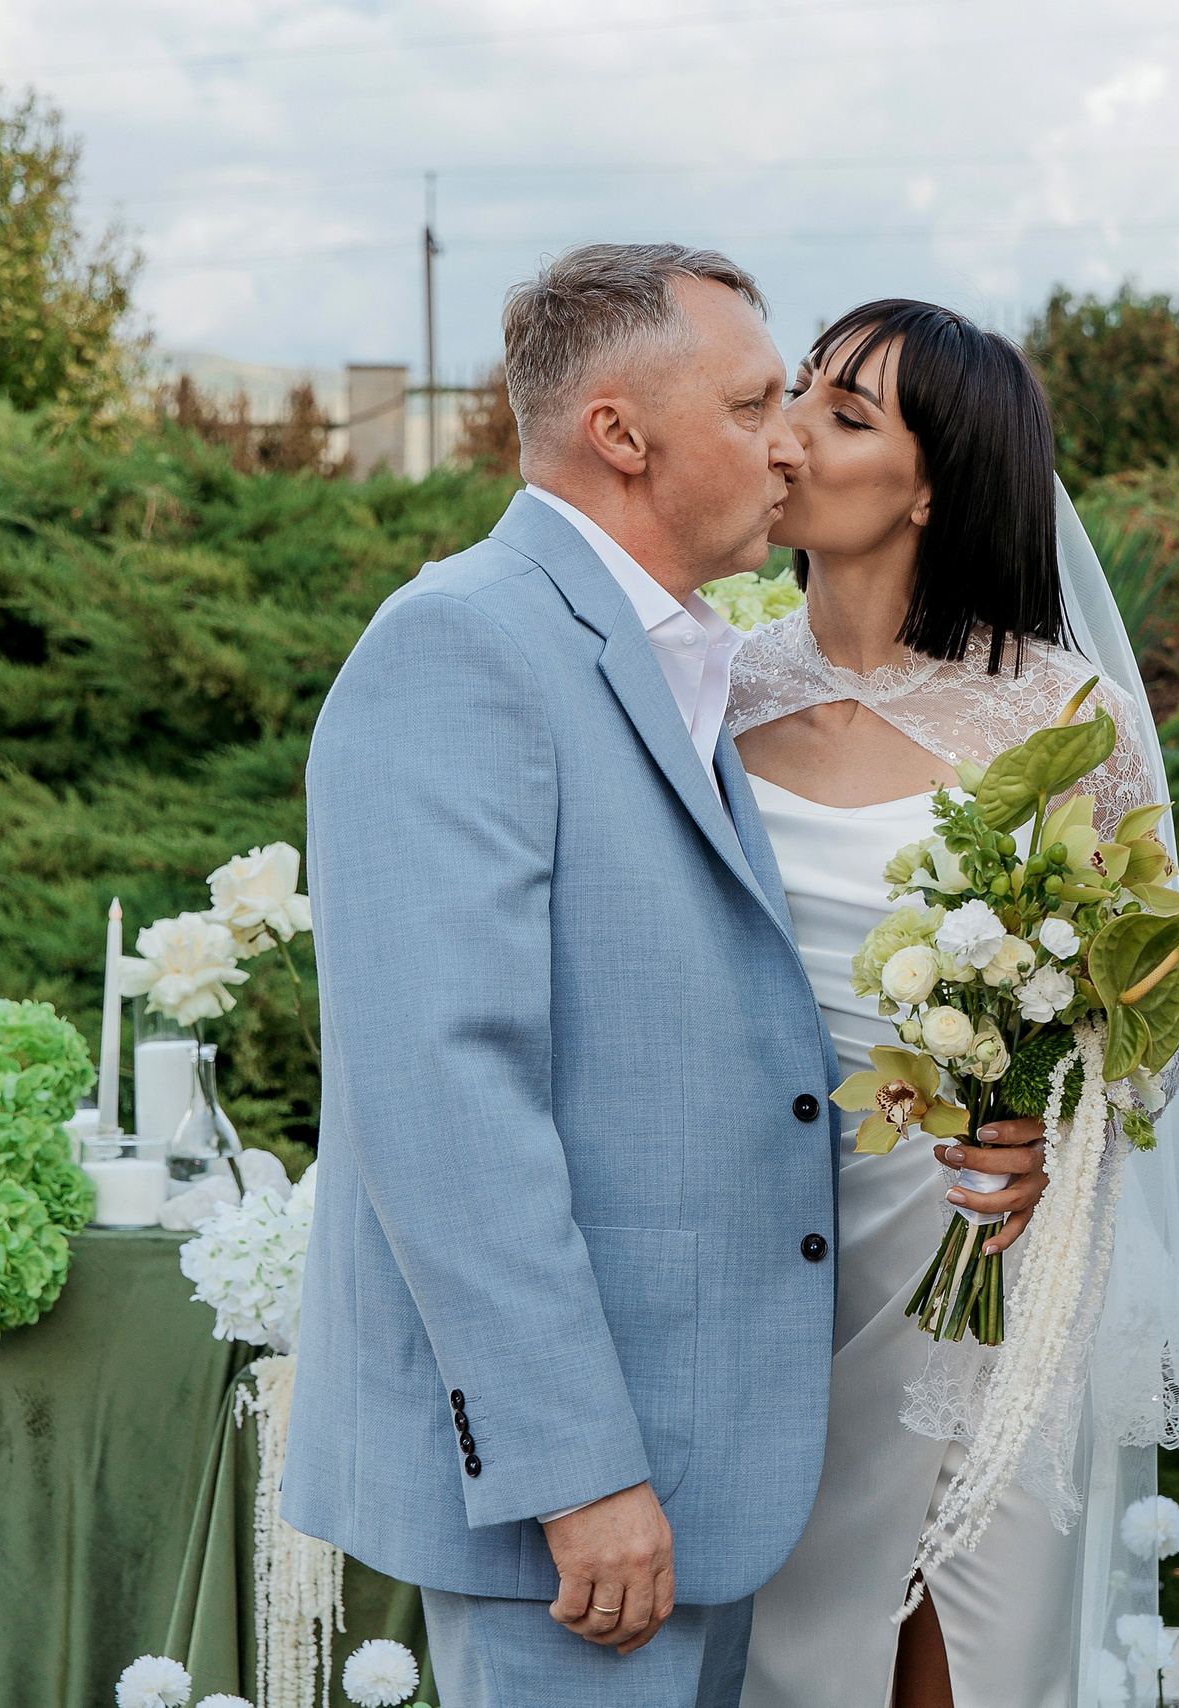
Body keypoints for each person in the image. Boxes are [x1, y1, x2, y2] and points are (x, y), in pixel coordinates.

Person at [292, 243, 860, 1707]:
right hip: (582, 1508)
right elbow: (444, 1094)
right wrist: (576, 1471)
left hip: (708, 1467)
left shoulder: (676, 649)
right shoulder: (462, 647)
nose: (788, 439)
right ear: (620, 435)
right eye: (748, 406)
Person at [723, 300, 1179, 1708]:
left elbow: (1143, 1030)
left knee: (966, 1650)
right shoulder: (708, 687)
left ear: (936, 483)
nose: (791, 436)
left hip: (971, 1256)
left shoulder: (1063, 720)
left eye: (845, 415)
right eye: (797, 397)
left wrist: (1049, 1130)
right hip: (764, 1248)